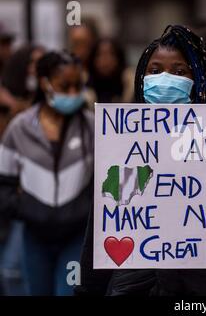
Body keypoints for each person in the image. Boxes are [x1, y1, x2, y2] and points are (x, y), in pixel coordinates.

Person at [76, 25, 206, 296]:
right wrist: (87, 289)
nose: (165, 79)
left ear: (197, 79)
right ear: (141, 77)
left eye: (179, 72)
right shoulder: (125, 140)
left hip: (203, 281)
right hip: (136, 281)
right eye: (155, 71)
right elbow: (105, 218)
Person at [0, 52, 94, 295]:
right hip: (35, 236)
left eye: (78, 86)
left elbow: (109, 177)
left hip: (77, 237)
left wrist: (87, 209)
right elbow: (3, 181)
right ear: (45, 83)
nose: (73, 93)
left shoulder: (92, 126)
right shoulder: (20, 127)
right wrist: (24, 209)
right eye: (65, 86)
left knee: (68, 292)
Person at [0, 44, 45, 296]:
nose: (35, 69)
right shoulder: (6, 101)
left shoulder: (53, 104)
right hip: (7, 189)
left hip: (27, 196)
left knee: (13, 269)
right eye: (31, 62)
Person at [85, 38, 134, 106]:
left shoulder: (130, 88)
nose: (105, 59)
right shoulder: (84, 88)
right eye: (100, 54)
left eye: (111, 54)